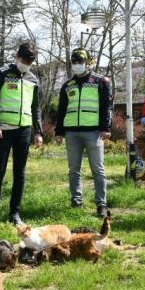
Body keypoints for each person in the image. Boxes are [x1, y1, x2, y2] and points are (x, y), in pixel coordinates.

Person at [0, 42, 44, 229]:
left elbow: (36, 108)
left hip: (23, 131)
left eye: (30, 62)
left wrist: (38, 131)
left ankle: (15, 213)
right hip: (3, 130)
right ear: (16, 57)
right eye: (24, 60)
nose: (26, 64)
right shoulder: (0, 74)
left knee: (20, 173)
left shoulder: (33, 80)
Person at [55, 48, 113, 218]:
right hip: (72, 133)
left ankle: (101, 205)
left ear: (88, 63)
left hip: (94, 132)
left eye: (80, 62)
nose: (77, 65)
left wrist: (105, 127)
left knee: (98, 169)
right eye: (74, 62)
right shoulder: (67, 85)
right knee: (74, 169)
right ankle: (76, 201)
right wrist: (59, 132)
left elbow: (107, 107)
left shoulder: (101, 81)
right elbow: (61, 110)